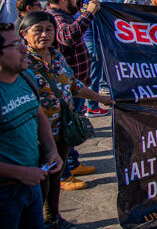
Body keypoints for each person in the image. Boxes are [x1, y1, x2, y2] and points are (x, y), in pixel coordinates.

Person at [20, 12, 113, 225]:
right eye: (38, 30)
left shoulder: (58, 56)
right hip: (35, 135)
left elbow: (73, 85)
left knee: (55, 178)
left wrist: (100, 98)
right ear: (25, 34)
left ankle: (53, 218)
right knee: (38, 183)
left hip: (62, 130)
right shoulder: (22, 61)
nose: (44, 34)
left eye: (49, 30)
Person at [0, 22, 63, 229]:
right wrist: (20, 173)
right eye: (14, 45)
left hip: (31, 186)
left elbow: (38, 115)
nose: (23, 49)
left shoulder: (26, 78)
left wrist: (51, 150)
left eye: (20, 42)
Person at [44, 0, 101, 192]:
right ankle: (63, 175)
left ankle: (73, 164)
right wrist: (89, 14)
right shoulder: (56, 18)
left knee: (71, 125)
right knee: (64, 132)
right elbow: (68, 37)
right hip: (65, 88)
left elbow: (76, 5)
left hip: (75, 84)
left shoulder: (65, 12)